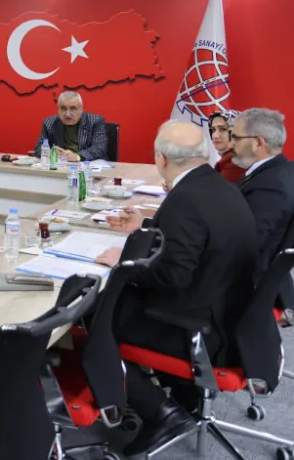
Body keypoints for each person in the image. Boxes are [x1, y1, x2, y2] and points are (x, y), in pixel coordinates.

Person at [98, 121, 257, 457]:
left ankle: (160, 412)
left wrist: (125, 263)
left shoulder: (184, 200)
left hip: (196, 329)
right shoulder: (220, 187)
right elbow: (199, 239)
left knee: (95, 318)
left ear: (161, 158)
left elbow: (173, 276)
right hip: (229, 316)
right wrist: (146, 227)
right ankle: (183, 396)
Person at [231, 108, 294, 279]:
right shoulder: (281, 171)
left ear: (258, 143)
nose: (231, 144)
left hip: (247, 282)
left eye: (236, 138)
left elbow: (248, 243)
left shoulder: (270, 185)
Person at [32, 91, 108, 162]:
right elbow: (38, 149)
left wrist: (77, 156)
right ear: (58, 109)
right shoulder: (49, 123)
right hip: (62, 165)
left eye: (73, 108)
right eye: (63, 109)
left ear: (81, 109)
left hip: (88, 165)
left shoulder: (95, 121)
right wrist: (50, 152)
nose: (68, 114)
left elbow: (99, 148)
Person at [208, 110, 244, 183]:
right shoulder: (225, 163)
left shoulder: (235, 166)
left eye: (223, 129)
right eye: (213, 130)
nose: (215, 136)